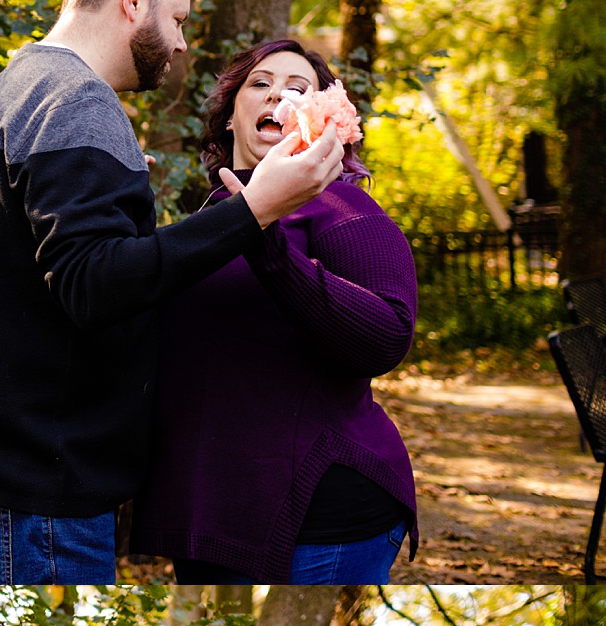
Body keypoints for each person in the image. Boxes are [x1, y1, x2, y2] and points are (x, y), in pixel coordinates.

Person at [0, 0, 346, 592]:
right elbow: (95, 288)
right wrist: (255, 210)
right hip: (32, 489)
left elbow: (40, 260)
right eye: (176, 19)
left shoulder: (12, 89)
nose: (179, 43)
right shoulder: (80, 101)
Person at [134, 33, 418, 587]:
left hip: (321, 515)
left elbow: (387, 338)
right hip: (210, 512)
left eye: (297, 87)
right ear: (231, 120)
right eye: (259, 85)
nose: (275, 96)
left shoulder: (344, 207)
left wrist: (268, 245)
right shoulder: (209, 219)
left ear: (325, 119)